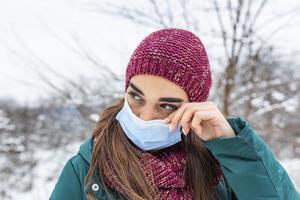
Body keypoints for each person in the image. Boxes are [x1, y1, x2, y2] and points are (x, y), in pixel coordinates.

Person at [49, 28, 300, 200]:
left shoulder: (219, 166)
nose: (145, 117)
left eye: (167, 106)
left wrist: (232, 147)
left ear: (193, 108)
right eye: (136, 97)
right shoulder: (87, 168)